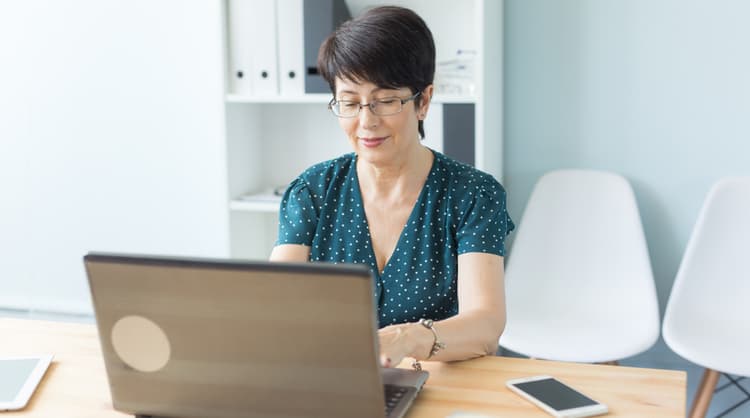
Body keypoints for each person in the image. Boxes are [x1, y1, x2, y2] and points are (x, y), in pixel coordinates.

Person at [270, 6, 514, 369]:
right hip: (336, 379)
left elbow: (486, 325)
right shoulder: (312, 191)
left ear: (424, 101)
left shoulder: (472, 195)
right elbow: (273, 306)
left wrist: (413, 338)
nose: (366, 121)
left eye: (385, 101)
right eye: (350, 103)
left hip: (440, 379)